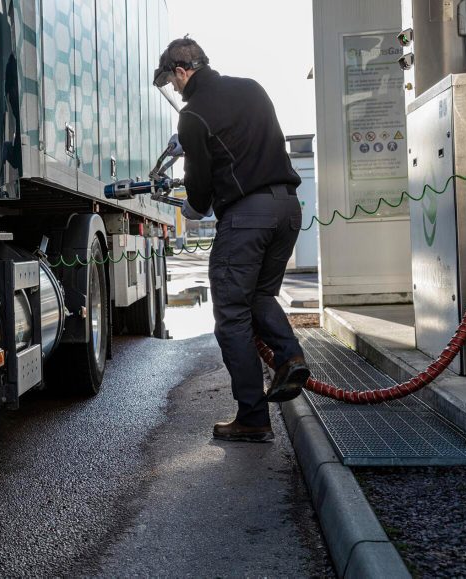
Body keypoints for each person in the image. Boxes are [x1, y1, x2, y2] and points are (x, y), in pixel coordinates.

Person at [154, 37, 311, 443]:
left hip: (246, 219)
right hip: (287, 209)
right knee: (258, 296)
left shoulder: (193, 115)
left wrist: (191, 206)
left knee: (231, 316)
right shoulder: (251, 88)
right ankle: (290, 356)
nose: (176, 90)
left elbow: (200, 192)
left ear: (182, 71)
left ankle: (253, 418)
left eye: (173, 82)